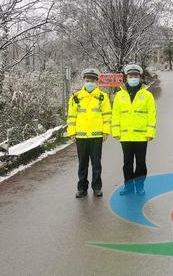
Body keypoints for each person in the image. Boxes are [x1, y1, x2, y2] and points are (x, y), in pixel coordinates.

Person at [112, 64, 157, 195]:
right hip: (125, 136)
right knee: (127, 164)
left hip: (141, 136)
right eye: (131, 76)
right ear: (126, 78)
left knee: (141, 163)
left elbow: (151, 115)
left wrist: (150, 132)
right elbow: (116, 115)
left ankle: (140, 186)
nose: (133, 78)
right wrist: (116, 132)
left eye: (135, 76)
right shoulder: (120, 95)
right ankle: (129, 187)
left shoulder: (147, 95)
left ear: (139, 77)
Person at [66, 68, 111, 198]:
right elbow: (71, 116)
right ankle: (82, 188)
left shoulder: (102, 97)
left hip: (97, 136)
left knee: (96, 163)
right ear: (84, 81)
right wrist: (71, 133)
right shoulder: (76, 97)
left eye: (92, 80)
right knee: (82, 164)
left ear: (97, 82)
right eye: (87, 80)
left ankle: (97, 188)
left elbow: (107, 115)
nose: (89, 82)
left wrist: (106, 131)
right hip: (81, 136)